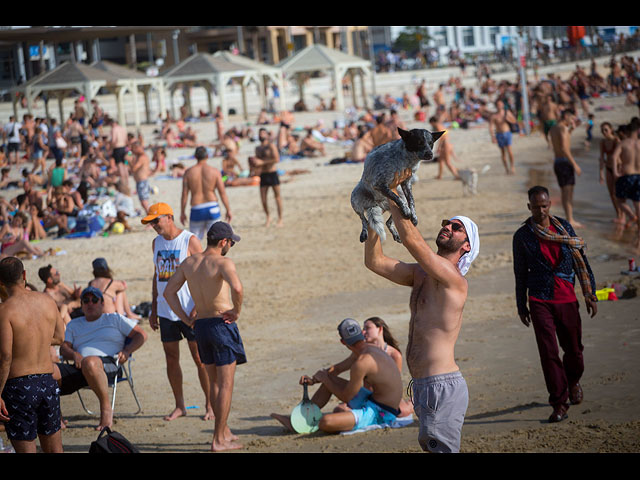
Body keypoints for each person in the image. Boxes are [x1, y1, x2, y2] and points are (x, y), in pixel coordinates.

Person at [364, 169, 478, 453]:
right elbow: (375, 262)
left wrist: (392, 194)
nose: (447, 227)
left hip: (443, 386)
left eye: (456, 227)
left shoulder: (454, 281)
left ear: (466, 246)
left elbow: (415, 243)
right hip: (424, 386)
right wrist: (374, 213)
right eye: (446, 223)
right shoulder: (420, 274)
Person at [512, 185, 598, 423]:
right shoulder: (522, 236)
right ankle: (559, 402)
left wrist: (590, 293)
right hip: (539, 298)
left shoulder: (564, 228)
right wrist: (522, 304)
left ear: (550, 204)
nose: (541, 210)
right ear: (529, 207)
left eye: (544, 205)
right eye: (536, 207)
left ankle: (573, 382)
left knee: (574, 350)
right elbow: (520, 273)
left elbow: (582, 259)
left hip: (566, 297)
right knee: (548, 352)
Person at [163, 221, 246, 452]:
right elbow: (237, 289)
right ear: (223, 242)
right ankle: (218, 439)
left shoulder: (189, 262)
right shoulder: (223, 262)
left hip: (200, 327)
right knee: (226, 385)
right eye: (231, 242)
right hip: (221, 324)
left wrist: (185, 318)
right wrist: (236, 311)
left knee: (215, 383)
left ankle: (224, 431)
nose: (231, 246)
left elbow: (169, 292)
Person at [141, 202, 214, 422]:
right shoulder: (156, 243)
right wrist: (153, 308)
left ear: (169, 217)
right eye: (151, 222)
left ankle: (209, 404)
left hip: (190, 309)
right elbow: (157, 276)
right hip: (165, 311)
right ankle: (179, 406)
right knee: (171, 359)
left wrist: (197, 306)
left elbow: (205, 274)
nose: (154, 225)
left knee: (200, 358)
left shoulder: (189, 240)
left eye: (156, 220)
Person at [270, 318, 402, 435]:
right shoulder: (368, 349)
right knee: (329, 380)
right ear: (361, 334)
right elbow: (337, 369)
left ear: (343, 342)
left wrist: (325, 379)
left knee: (325, 422)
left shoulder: (362, 362)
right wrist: (314, 380)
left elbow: (346, 397)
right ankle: (303, 418)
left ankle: (307, 422)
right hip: (373, 399)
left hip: (383, 412)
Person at [55, 286, 148, 431]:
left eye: (94, 300)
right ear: (81, 305)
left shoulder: (114, 318)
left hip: (110, 364)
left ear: (102, 303)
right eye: (86, 300)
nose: (90, 303)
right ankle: (55, 418)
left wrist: (127, 350)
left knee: (91, 362)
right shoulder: (74, 324)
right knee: (48, 370)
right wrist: (74, 354)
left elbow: (141, 334)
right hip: (80, 366)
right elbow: (64, 348)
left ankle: (106, 409)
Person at [0, 257, 65, 453]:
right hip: (47, 380)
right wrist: (36, 340)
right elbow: (60, 337)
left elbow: (5, 356)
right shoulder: (47, 300)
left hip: (18, 386)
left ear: (1, 283)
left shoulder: (5, 311)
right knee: (55, 450)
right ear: (25, 275)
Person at [180, 146, 232, 240]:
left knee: (194, 242)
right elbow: (222, 192)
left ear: (195, 156)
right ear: (207, 156)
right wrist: (228, 210)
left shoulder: (188, 172)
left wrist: (182, 212)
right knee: (215, 242)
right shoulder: (214, 171)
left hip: (197, 208)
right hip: (212, 207)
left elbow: (184, 195)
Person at [549, 109, 584, 228]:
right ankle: (570, 219)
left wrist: (572, 129)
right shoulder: (563, 128)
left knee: (565, 191)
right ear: (566, 116)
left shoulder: (554, 128)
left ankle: (569, 217)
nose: (573, 120)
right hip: (564, 162)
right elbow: (564, 148)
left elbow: (561, 142)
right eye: (572, 118)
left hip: (557, 162)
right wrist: (575, 164)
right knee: (568, 192)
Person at [611, 120, 640, 247]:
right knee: (638, 204)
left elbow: (613, 157)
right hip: (639, 176)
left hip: (627, 175)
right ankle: (639, 235)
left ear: (628, 132)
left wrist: (615, 172)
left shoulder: (624, 143)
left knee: (619, 199)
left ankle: (631, 215)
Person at [252, 128, 283, 227]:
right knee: (263, 199)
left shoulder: (271, 146)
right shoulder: (257, 148)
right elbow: (257, 162)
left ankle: (280, 219)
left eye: (263, 133)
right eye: (260, 133)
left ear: (266, 135)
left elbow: (277, 159)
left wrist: (263, 162)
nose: (261, 135)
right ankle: (268, 217)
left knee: (277, 197)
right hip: (263, 174)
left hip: (272, 173)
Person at [599, 121, 624, 223]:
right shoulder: (602, 142)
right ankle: (618, 214)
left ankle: (623, 216)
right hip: (608, 168)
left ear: (611, 130)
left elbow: (622, 156)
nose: (604, 132)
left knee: (619, 194)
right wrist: (600, 173)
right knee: (611, 194)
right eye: (602, 130)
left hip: (618, 168)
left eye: (606, 130)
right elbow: (601, 158)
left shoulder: (617, 141)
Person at [488, 100, 517, 175]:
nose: (499, 106)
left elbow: (514, 121)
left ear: (503, 105)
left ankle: (512, 167)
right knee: (503, 153)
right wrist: (492, 137)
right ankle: (506, 169)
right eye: (498, 104)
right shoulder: (494, 116)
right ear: (496, 106)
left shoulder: (507, 113)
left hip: (507, 133)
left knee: (510, 151)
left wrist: (508, 118)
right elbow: (491, 127)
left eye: (500, 104)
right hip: (499, 134)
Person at [129, 142, 152, 214]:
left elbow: (133, 169)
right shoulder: (140, 157)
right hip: (141, 182)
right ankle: (150, 216)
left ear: (137, 148)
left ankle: (151, 217)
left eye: (133, 149)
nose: (132, 151)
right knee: (143, 201)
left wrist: (129, 160)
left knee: (144, 201)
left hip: (142, 182)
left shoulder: (142, 157)